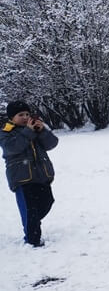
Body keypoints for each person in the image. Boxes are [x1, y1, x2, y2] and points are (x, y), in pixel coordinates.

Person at [1, 100, 59, 247]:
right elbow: (13, 147)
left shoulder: (35, 129)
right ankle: (32, 240)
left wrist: (42, 131)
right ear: (11, 118)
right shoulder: (6, 132)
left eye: (27, 114)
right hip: (22, 178)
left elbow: (51, 144)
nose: (25, 117)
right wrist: (28, 132)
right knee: (29, 209)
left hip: (41, 175)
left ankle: (32, 222)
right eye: (20, 115)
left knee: (47, 202)